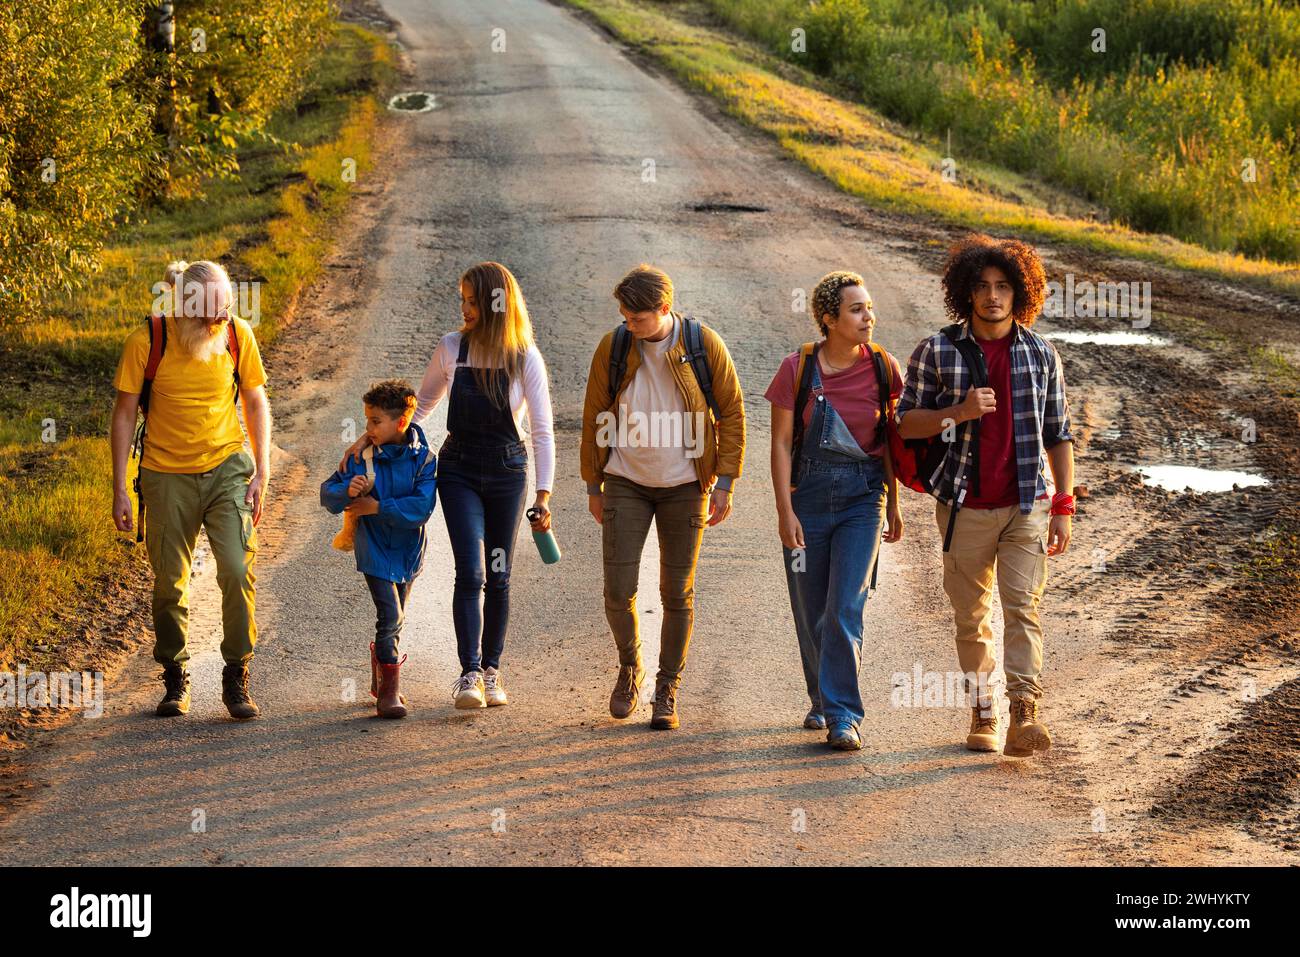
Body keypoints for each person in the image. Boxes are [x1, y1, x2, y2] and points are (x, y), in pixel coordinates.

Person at [342, 262, 554, 710]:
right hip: (458, 470)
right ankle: (469, 673)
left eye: (474, 301)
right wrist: (371, 438)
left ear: (499, 303)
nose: (466, 308)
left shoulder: (525, 357)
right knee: (471, 572)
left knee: (498, 575)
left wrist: (543, 494)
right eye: (463, 299)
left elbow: (542, 430)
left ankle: (493, 672)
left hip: (507, 473)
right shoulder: (451, 348)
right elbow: (419, 410)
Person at [895, 234, 1075, 757]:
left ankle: (1024, 711)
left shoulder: (1041, 354)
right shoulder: (936, 350)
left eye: (1002, 287)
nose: (992, 296)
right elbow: (905, 425)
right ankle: (983, 709)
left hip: (1026, 504)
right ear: (966, 294)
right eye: (982, 287)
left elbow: (1058, 434)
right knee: (972, 616)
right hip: (963, 506)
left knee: (1023, 608)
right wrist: (960, 411)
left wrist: (1063, 506)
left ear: (1020, 293)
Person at [580, 264, 746, 730]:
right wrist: (594, 484)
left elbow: (731, 411)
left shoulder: (701, 344)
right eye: (625, 317)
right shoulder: (614, 346)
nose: (629, 326)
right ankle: (630, 666)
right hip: (625, 479)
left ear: (664, 310)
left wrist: (726, 481)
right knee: (617, 589)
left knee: (677, 591)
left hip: (686, 485)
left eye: (638, 319)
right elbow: (595, 412)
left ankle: (667, 686)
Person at [110, 260, 271, 719]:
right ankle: (174, 674)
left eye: (225, 310)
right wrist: (120, 487)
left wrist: (262, 471)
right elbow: (124, 414)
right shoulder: (147, 342)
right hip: (165, 475)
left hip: (226, 470)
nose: (219, 321)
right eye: (209, 313)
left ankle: (236, 671)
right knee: (169, 583)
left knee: (238, 570)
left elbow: (255, 400)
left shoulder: (237, 335)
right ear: (183, 306)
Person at [766, 271, 904, 750]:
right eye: (857, 310)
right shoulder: (797, 369)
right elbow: (781, 444)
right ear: (829, 319)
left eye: (869, 307)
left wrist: (894, 505)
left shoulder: (885, 367)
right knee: (812, 609)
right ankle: (822, 698)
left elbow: (890, 441)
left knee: (846, 605)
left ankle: (844, 715)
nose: (869, 317)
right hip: (807, 498)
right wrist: (785, 511)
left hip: (863, 500)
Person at [321, 380, 437, 718]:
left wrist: (378, 507)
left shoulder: (426, 460)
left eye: (375, 421)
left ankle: (380, 666)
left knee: (396, 616)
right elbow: (327, 493)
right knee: (392, 615)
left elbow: (423, 507)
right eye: (366, 420)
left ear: (401, 422)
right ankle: (390, 693)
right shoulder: (362, 458)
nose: (368, 428)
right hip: (373, 548)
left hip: (409, 551)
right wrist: (348, 492)